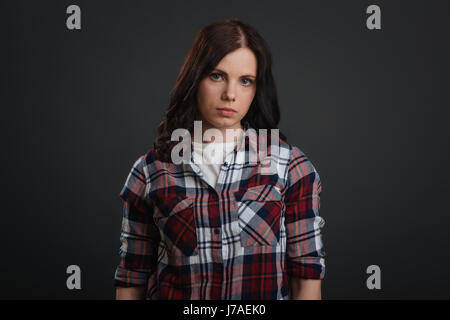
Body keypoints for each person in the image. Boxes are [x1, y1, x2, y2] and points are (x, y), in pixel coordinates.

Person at [114, 18, 325, 300]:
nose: (230, 94)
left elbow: (306, 278)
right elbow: (131, 278)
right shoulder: (150, 171)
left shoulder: (290, 167)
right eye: (216, 76)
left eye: (245, 81)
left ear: (256, 88)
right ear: (195, 77)